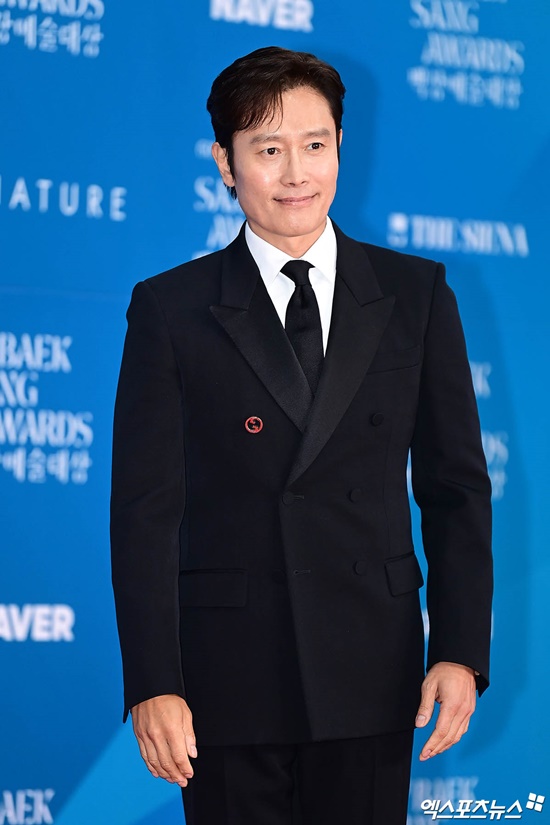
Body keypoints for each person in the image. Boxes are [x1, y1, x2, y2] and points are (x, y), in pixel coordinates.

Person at [110, 46, 493, 825]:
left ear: (341, 146)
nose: (296, 173)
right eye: (268, 149)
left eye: (315, 144)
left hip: (372, 669)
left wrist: (459, 649)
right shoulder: (171, 309)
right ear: (225, 163)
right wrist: (155, 680)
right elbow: (145, 513)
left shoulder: (416, 294)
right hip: (226, 680)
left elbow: (455, 488)